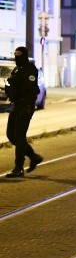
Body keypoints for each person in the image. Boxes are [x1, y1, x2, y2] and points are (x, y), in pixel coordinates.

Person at [5, 47, 42, 178]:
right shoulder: (17, 69)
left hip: (25, 107)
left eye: (19, 55)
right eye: (15, 55)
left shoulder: (30, 69)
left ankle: (19, 167)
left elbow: (33, 90)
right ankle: (33, 156)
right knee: (11, 135)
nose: (16, 58)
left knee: (19, 136)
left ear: (24, 56)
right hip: (16, 105)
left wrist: (26, 105)